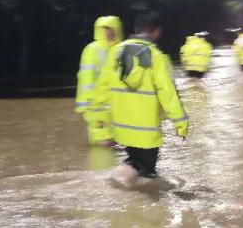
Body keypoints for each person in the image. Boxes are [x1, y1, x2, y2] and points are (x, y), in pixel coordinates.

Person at [91, 12, 188, 184]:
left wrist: (98, 118)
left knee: (133, 161)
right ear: (156, 31)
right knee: (149, 177)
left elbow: (101, 88)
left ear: (135, 30)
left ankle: (122, 182)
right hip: (147, 133)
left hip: (123, 129)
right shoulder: (156, 56)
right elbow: (168, 92)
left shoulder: (114, 52)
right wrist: (180, 122)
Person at [75, 15, 123, 145]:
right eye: (105, 29)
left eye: (111, 29)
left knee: (113, 143)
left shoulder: (120, 50)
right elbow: (86, 79)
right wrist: (86, 105)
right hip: (96, 107)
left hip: (114, 106)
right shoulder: (92, 49)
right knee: (102, 142)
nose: (108, 32)